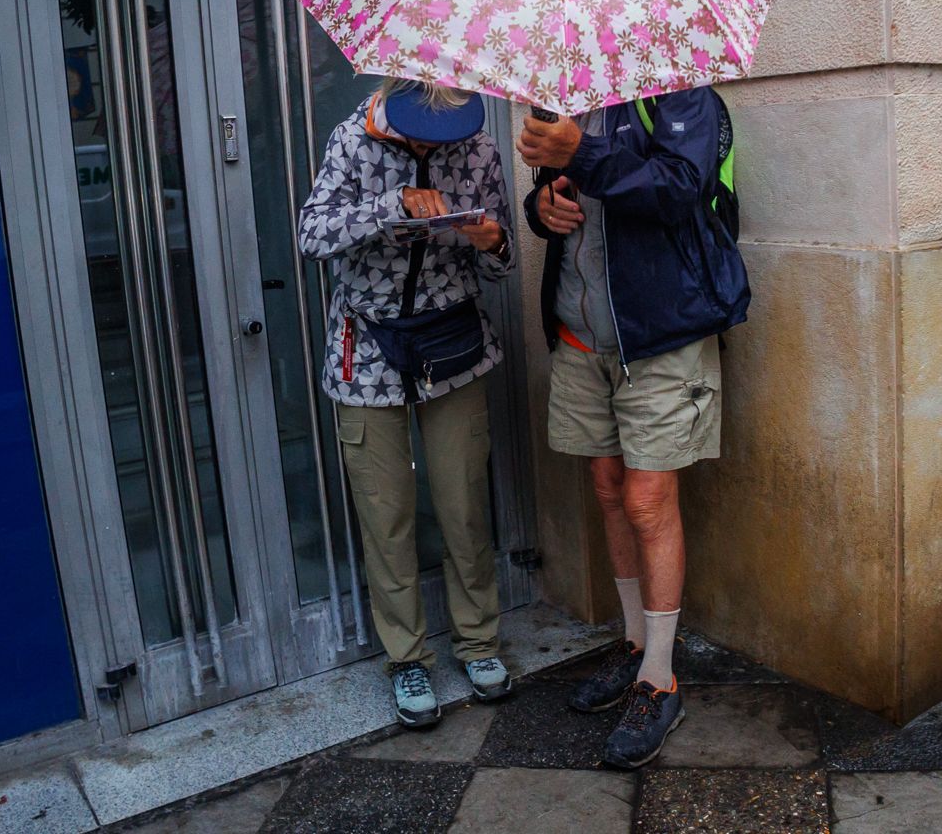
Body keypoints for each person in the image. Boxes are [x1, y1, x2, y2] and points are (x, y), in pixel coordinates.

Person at [517, 86, 749, 767]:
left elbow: (680, 191)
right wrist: (543, 207)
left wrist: (581, 153)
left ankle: (661, 679)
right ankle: (633, 644)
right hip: (583, 337)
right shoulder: (568, 100)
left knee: (649, 501)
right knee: (610, 487)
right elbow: (549, 204)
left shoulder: (683, 98)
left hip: (659, 338)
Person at [299, 80, 515, 728]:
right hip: (365, 349)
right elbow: (312, 233)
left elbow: (506, 263)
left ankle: (478, 643)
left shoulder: (476, 146)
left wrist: (490, 241)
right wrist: (387, 207)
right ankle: (407, 657)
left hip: (453, 344)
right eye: (426, 135)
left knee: (463, 505)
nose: (438, 146)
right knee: (386, 513)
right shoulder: (351, 139)